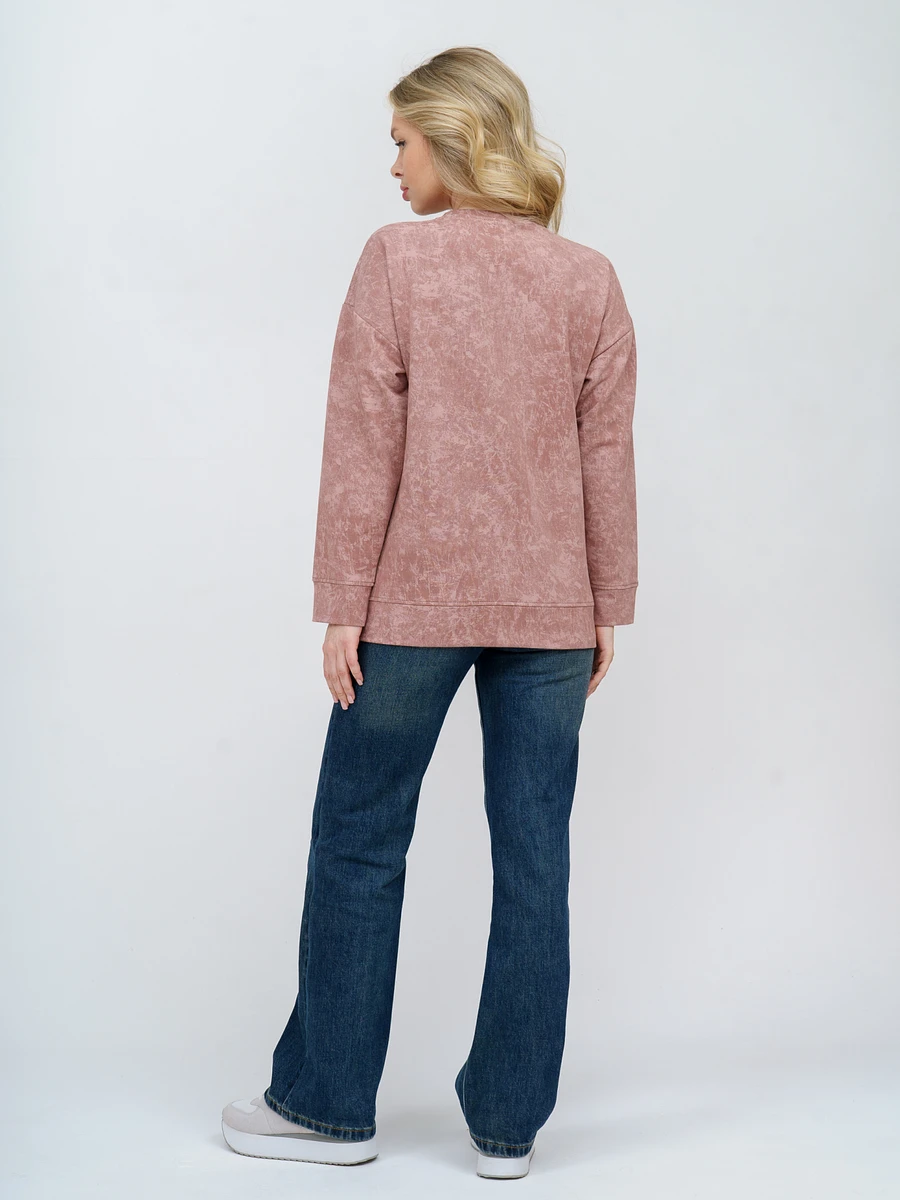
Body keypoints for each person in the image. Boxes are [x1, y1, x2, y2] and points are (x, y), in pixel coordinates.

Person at [221, 45, 638, 1180]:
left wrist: (342, 604)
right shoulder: (589, 279)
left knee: (361, 837)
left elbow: (365, 443)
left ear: (457, 140)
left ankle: (325, 1108)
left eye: (403, 140)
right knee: (536, 856)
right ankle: (509, 1130)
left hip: (414, 601)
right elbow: (606, 455)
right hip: (553, 610)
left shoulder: (398, 262)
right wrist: (607, 603)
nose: (392, 164)